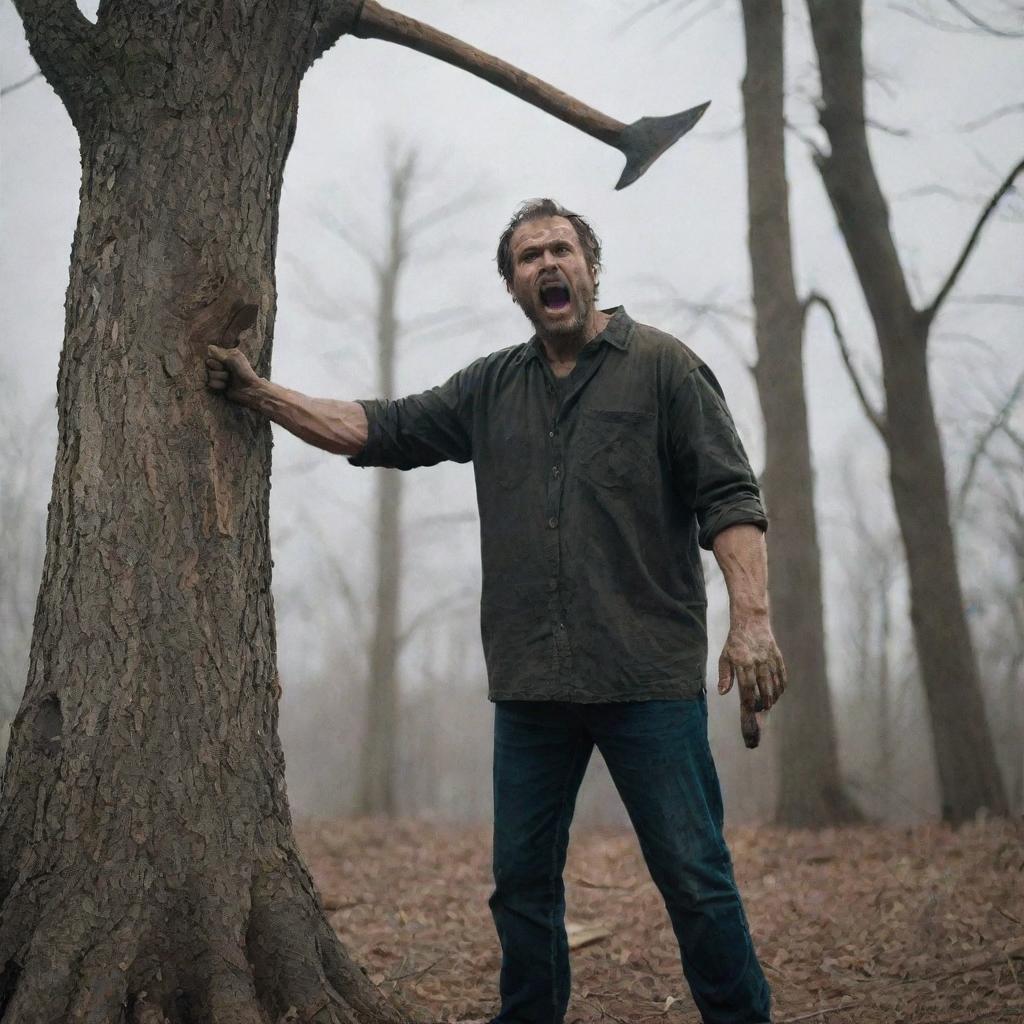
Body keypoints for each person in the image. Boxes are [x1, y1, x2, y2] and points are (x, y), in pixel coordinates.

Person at [207, 198, 786, 1024]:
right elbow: (377, 427)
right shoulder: (491, 387)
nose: (547, 265)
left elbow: (730, 500)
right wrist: (259, 394)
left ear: (592, 265)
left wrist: (753, 619)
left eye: (561, 250)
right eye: (527, 258)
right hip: (531, 687)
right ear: (513, 286)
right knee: (520, 888)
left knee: (694, 877)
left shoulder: (664, 368)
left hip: (645, 679)